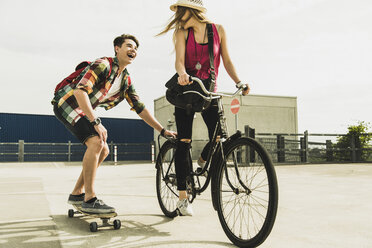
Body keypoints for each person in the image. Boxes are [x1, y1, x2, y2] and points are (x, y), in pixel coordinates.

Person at [52, 34, 176, 214]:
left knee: (104, 149)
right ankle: (90, 198)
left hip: (82, 109)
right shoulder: (104, 64)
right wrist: (95, 122)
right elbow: (80, 92)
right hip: (67, 102)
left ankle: (77, 193)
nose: (133, 50)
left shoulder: (125, 79)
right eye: (129, 46)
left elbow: (140, 108)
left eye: (136, 48)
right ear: (117, 48)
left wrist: (162, 130)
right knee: (96, 141)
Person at [158, 0, 250, 216]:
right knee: (184, 142)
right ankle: (182, 198)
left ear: (191, 11)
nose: (178, 16)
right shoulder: (182, 33)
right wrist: (182, 73)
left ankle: (202, 161)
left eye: (181, 12)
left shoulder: (218, 30)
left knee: (219, 138)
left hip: (210, 92)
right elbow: (179, 61)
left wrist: (239, 82)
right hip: (188, 90)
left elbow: (226, 60)